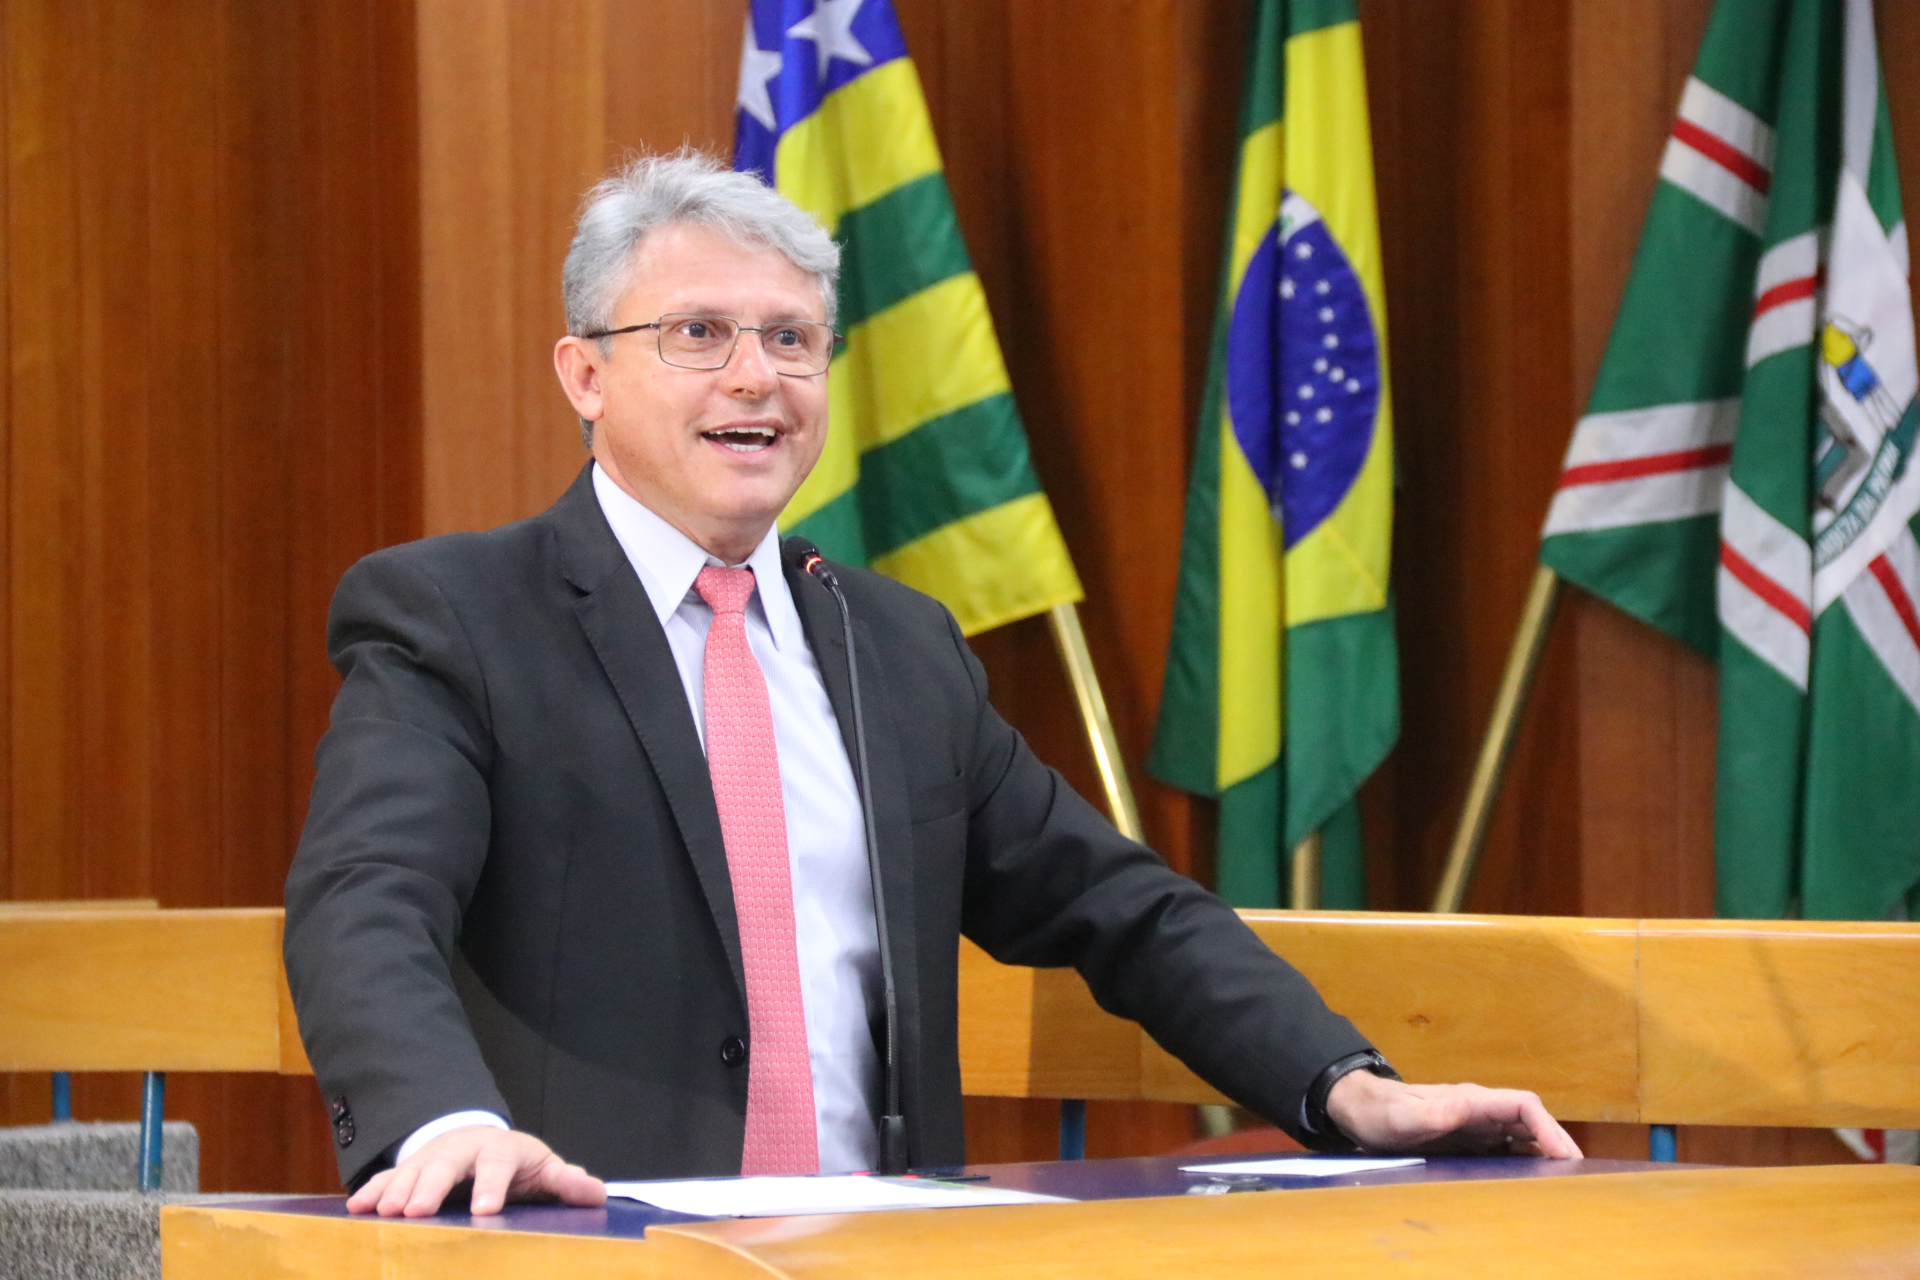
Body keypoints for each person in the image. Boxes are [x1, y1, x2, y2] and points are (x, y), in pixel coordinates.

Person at [283, 151, 1579, 1220]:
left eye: (792, 339)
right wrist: (443, 1124)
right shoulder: (457, 617)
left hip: (880, 1249)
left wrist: (1348, 1088)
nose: (755, 377)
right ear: (585, 373)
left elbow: (1118, 908)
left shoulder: (893, 644)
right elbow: (366, 898)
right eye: (698, 335)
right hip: (585, 1245)